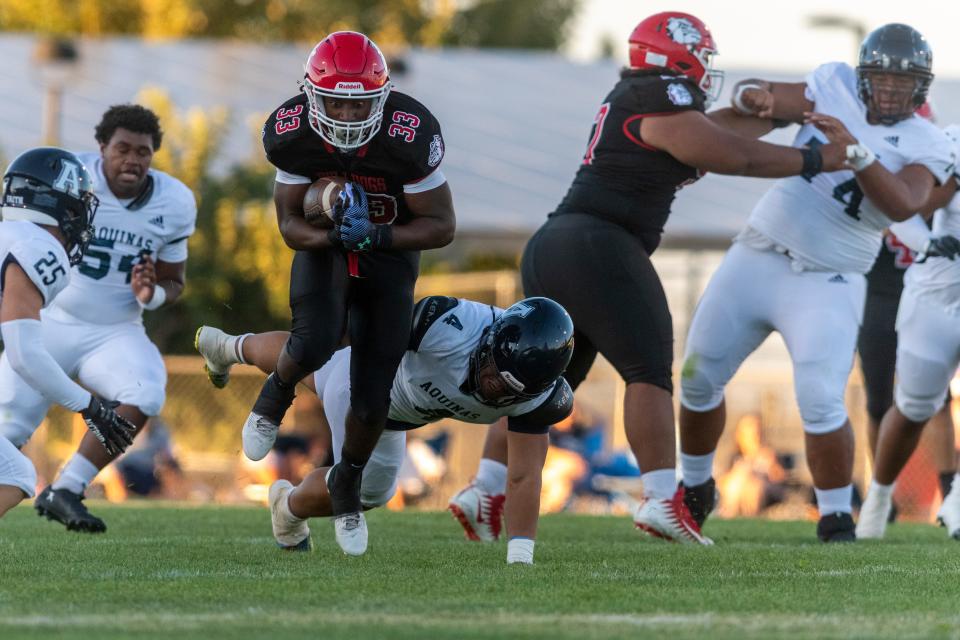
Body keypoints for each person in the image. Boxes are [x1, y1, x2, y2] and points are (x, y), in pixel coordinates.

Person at [449, 11, 850, 546]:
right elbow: (731, 155)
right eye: (701, 57)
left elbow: (715, 133)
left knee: (548, 381)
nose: (706, 69)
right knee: (648, 369)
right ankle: (663, 499)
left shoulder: (644, 95)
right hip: (599, 242)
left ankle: (485, 489)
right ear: (675, 56)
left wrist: (775, 114)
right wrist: (817, 158)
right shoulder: (657, 91)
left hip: (560, 243)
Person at [678, 23, 957, 542]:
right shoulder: (832, 85)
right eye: (881, 79)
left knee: (821, 397)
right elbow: (768, 100)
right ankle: (693, 488)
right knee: (697, 374)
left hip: (830, 277)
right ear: (862, 76)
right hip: (759, 251)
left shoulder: (928, 141)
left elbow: (903, 202)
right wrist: (750, 94)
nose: (891, 90)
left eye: (903, 82)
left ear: (922, 87)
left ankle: (835, 517)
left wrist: (858, 154)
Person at [246, 30, 455, 551]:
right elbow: (289, 226)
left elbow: (442, 225)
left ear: (381, 97)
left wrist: (378, 235)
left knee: (371, 395)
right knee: (315, 340)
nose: (343, 113)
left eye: (356, 102)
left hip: (390, 253)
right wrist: (333, 233)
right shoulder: (291, 132)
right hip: (327, 248)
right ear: (311, 94)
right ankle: (273, 396)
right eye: (334, 100)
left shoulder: (409, 134)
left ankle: (346, 485)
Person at [197, 296, 574, 563]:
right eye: (494, 373)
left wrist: (520, 561)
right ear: (490, 339)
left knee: (369, 486)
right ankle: (288, 511)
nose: (494, 389)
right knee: (356, 476)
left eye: (510, 390)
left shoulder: (540, 399)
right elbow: (360, 338)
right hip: (369, 388)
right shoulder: (444, 325)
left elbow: (524, 477)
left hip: (400, 416)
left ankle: (229, 346)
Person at [0, 105, 197, 532]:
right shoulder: (70, 178)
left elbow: (174, 280)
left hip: (115, 329)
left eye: (142, 152)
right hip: (46, 319)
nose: (132, 159)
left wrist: (152, 294)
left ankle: (68, 488)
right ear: (102, 148)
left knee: (146, 390)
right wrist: (88, 405)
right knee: (8, 435)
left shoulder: (175, 201)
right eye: (122, 148)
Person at [0, 147, 136, 517]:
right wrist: (89, 405)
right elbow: (24, 353)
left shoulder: (9, 235)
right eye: (76, 209)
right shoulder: (37, 245)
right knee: (15, 473)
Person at [856, 123, 960, 539]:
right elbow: (898, 206)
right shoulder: (948, 141)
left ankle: (955, 497)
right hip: (936, 294)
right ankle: (879, 497)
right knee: (915, 406)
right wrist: (924, 241)